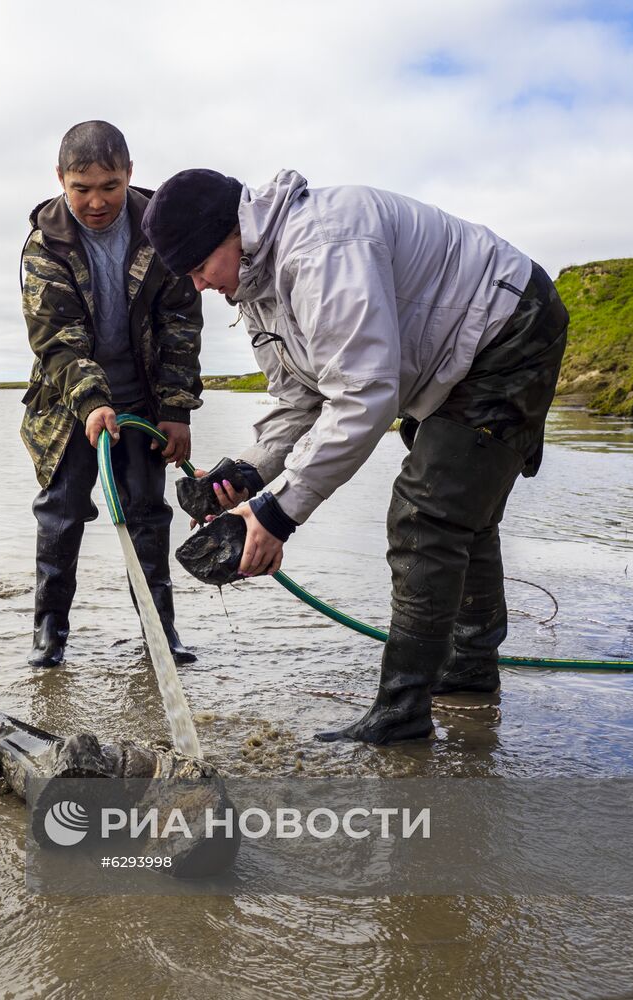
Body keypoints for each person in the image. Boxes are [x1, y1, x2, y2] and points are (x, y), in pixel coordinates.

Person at [142, 168, 568, 744]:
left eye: (198, 269)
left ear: (230, 233)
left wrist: (275, 514)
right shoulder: (254, 283)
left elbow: (364, 396)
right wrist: (250, 471)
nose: (198, 286)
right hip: (452, 354)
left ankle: (402, 714)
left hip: (507, 327)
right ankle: (467, 670)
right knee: (461, 507)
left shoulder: (322, 248)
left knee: (427, 513)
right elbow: (300, 396)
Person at [20, 121, 205, 668]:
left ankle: (160, 635)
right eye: (81, 188)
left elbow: (181, 326)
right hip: (68, 405)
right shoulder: (43, 243)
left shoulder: (161, 231)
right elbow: (56, 339)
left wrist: (174, 411)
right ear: (60, 179)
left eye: (109, 186)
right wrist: (91, 402)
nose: (95, 201)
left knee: (148, 516)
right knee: (62, 515)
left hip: (144, 405)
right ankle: (48, 639)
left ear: (129, 174)